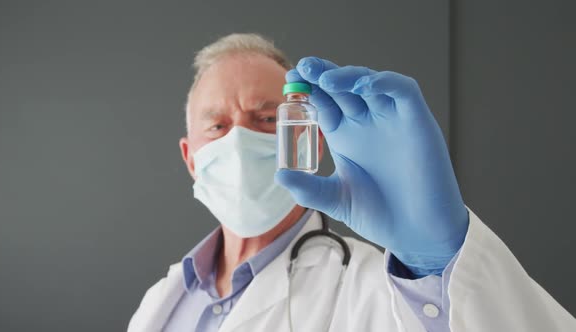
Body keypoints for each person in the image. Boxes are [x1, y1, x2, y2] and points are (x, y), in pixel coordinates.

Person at [127, 33, 575, 332]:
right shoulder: (161, 300)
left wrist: (436, 263)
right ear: (191, 157)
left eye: (267, 118)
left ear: (309, 141)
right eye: (218, 126)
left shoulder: (377, 290)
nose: (239, 140)